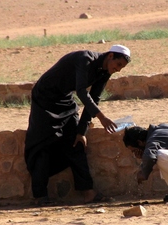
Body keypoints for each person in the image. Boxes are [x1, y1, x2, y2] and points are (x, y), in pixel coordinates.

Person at [24, 44, 131, 206]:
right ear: (110, 56)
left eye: (122, 67)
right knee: (43, 144)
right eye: (118, 65)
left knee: (76, 142)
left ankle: (88, 192)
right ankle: (40, 196)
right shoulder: (85, 59)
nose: (119, 69)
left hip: (64, 100)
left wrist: (82, 131)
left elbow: (94, 99)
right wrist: (101, 117)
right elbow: (81, 92)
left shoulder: (104, 72)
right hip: (44, 98)